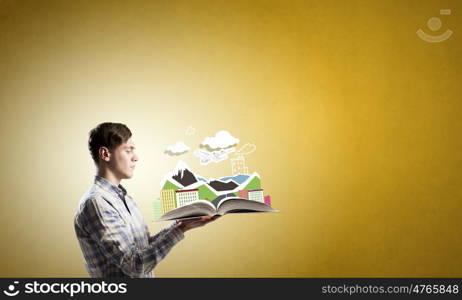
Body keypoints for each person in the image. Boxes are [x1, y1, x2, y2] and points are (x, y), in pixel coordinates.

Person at [74, 122, 218, 277]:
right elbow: (135, 266)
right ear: (105, 154)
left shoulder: (124, 198)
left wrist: (182, 225)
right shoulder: (97, 203)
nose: (136, 157)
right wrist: (179, 230)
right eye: (128, 150)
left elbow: (142, 248)